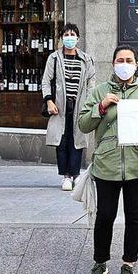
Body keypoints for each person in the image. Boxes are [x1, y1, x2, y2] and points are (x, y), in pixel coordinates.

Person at [79, 45, 138, 274]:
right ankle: (100, 262)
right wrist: (100, 107)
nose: (124, 64)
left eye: (129, 60)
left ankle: (129, 264)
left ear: (137, 65)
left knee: (134, 217)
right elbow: (83, 125)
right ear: (113, 63)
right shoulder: (99, 92)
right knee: (105, 215)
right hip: (107, 164)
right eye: (120, 60)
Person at [42, 23, 96, 191]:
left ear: (78, 38)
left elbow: (91, 83)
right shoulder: (54, 58)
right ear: (61, 38)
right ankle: (66, 176)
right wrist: (49, 101)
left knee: (77, 140)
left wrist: (88, 103)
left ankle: (76, 174)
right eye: (66, 35)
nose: (69, 37)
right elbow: (46, 81)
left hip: (79, 105)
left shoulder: (86, 59)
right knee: (62, 140)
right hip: (59, 106)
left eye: (72, 34)